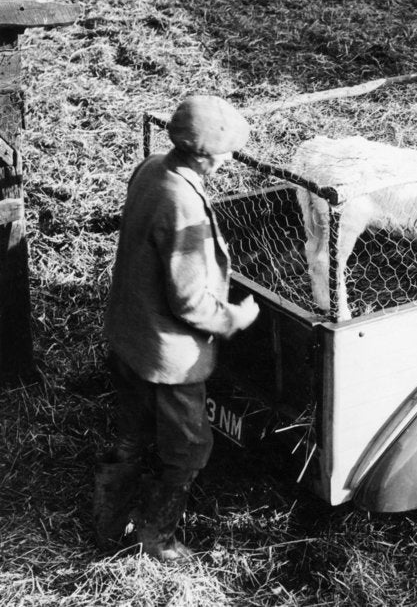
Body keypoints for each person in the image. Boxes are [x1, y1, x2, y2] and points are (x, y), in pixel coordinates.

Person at [94, 95, 260, 562]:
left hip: (128, 332)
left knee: (131, 430)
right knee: (190, 447)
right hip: (167, 353)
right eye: (224, 153)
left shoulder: (152, 167)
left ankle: (108, 522)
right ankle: (157, 537)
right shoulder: (182, 202)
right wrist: (232, 318)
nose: (228, 161)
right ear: (201, 154)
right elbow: (188, 300)